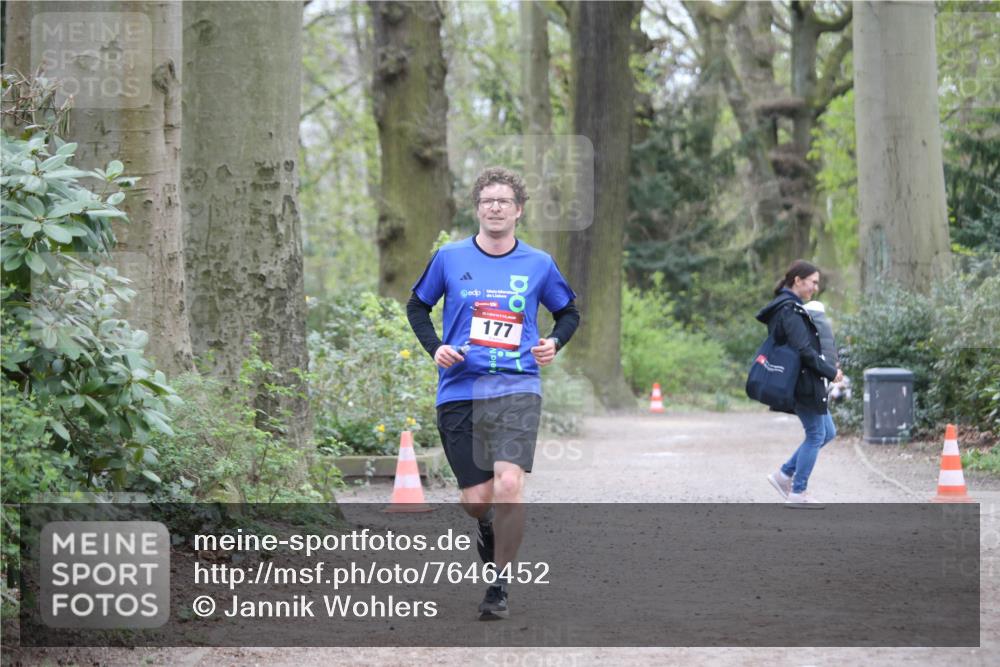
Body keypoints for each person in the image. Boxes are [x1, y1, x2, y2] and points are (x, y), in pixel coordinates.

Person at [406, 166, 580, 619]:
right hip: (460, 388)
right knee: (476, 500)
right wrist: (436, 347)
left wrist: (554, 341)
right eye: (488, 201)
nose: (495, 208)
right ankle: (485, 524)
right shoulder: (449, 257)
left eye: (504, 201)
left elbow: (568, 313)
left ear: (518, 210)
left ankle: (499, 584)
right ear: (477, 209)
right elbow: (418, 306)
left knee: (508, 484)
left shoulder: (538, 263)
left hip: (517, 384)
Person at [757, 260, 843, 509]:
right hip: (802, 381)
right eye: (813, 282)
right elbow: (803, 350)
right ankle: (798, 491)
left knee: (827, 432)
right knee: (816, 434)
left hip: (807, 379)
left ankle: (784, 474)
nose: (815, 288)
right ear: (798, 280)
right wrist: (830, 371)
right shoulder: (789, 310)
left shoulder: (791, 307)